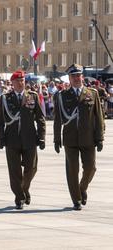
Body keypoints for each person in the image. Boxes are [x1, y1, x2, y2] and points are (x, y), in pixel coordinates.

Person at [53, 64, 105, 210]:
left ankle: (81, 189)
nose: (76, 78)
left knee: (91, 168)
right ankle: (76, 199)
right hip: (70, 139)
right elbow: (57, 119)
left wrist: (100, 137)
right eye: (73, 76)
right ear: (69, 78)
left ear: (82, 76)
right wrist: (57, 139)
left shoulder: (92, 93)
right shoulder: (62, 96)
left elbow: (99, 117)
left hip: (88, 138)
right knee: (72, 170)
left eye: (78, 75)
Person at [0, 70, 46, 209]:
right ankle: (19, 197)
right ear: (12, 83)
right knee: (14, 171)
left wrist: (41, 137)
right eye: (17, 81)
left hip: (30, 138)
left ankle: (24, 188)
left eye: (22, 80)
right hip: (12, 140)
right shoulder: (6, 98)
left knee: (32, 168)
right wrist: (0, 137)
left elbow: (40, 119)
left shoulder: (33, 97)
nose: (20, 83)